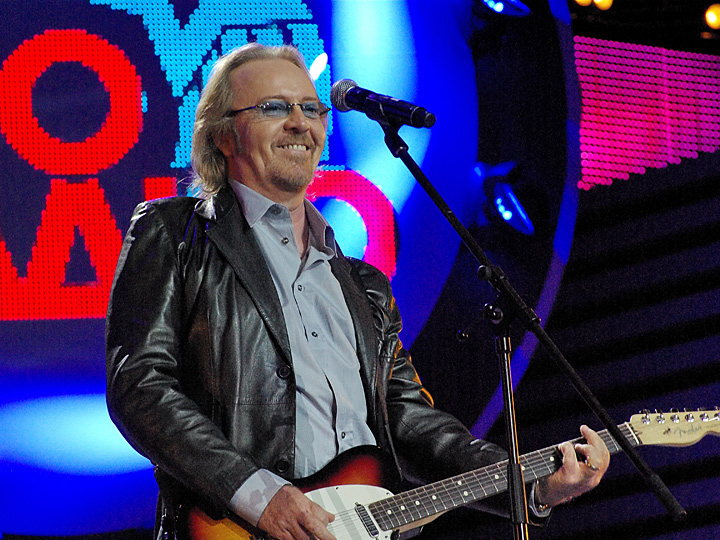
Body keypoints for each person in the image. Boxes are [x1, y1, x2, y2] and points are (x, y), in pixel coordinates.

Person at [105, 42, 609, 540]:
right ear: (223, 136)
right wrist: (258, 495)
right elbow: (140, 385)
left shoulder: (364, 286)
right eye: (275, 107)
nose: (300, 123)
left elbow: (409, 422)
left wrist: (531, 486)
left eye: (311, 109)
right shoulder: (173, 234)